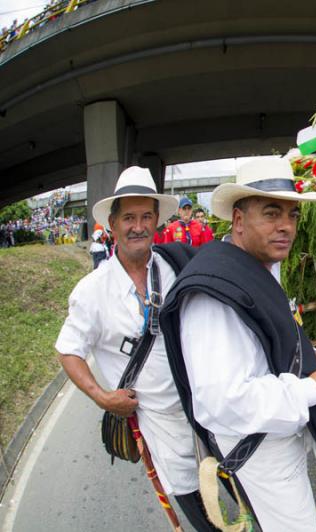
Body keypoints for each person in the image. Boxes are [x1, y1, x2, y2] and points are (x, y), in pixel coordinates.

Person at [159, 156, 316, 531]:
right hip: (261, 450)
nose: (285, 227)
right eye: (272, 213)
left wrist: (312, 355)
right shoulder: (214, 296)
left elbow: (268, 332)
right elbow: (223, 399)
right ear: (239, 220)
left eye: (292, 215)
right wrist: (313, 389)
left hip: (274, 437)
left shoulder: (255, 264)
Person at [54, 166, 215, 530]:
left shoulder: (178, 266)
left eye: (146, 217)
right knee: (205, 518)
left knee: (239, 498)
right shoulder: (91, 291)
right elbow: (68, 350)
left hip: (207, 411)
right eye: (128, 217)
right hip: (161, 427)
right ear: (112, 225)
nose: (138, 226)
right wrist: (101, 396)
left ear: (157, 221)